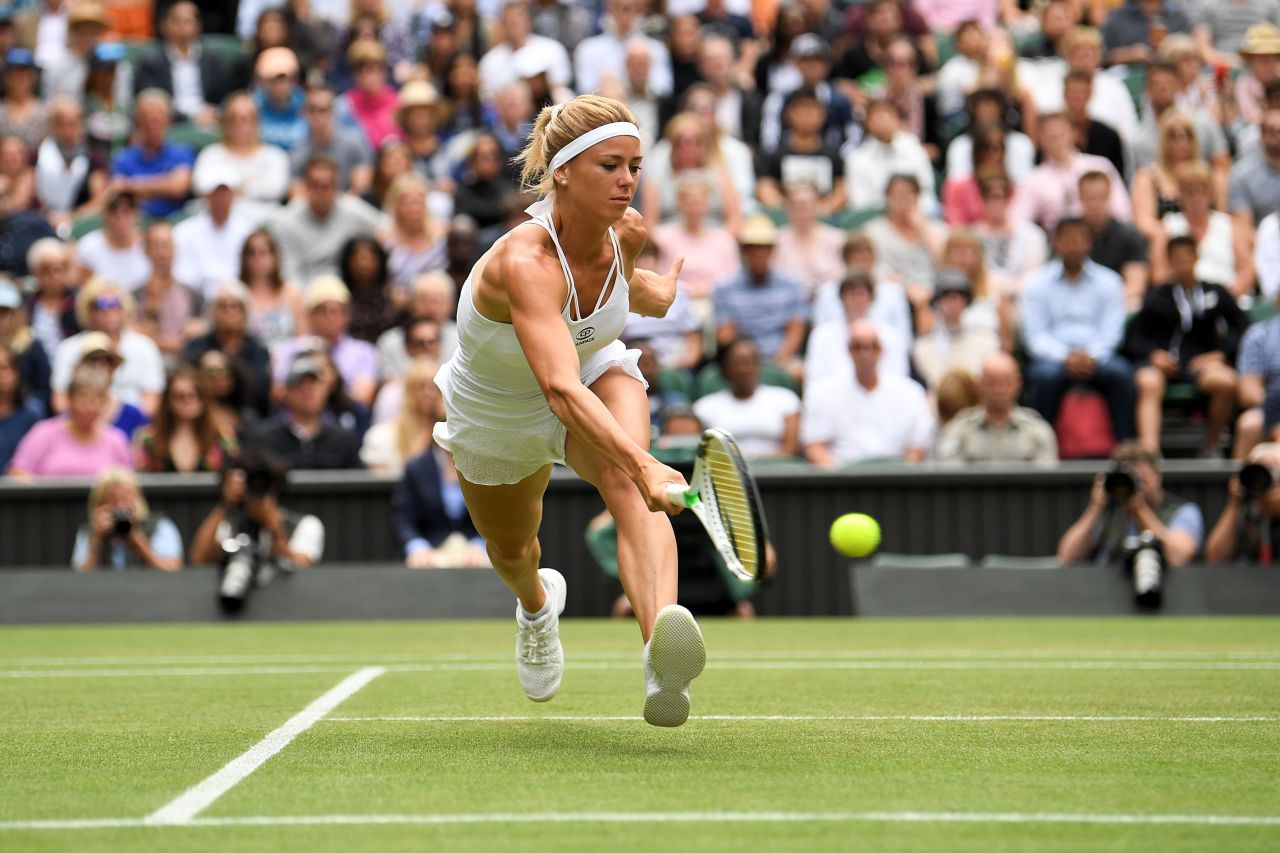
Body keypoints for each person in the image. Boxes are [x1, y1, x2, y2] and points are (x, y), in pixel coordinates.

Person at [431, 95, 704, 727]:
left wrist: (651, 294)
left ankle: (659, 653)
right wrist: (647, 461)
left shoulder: (628, 231)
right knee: (512, 546)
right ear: (563, 173)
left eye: (634, 166)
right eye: (610, 166)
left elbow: (616, 283)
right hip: (501, 405)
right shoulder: (524, 262)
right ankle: (535, 606)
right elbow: (557, 390)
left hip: (592, 369)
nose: (627, 180)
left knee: (628, 489)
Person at [1124, 236, 1247, 457]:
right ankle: (1150, 455)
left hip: (1200, 365)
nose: (1183, 264)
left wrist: (1219, 354)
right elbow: (1134, 337)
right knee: (1147, 381)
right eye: (1177, 259)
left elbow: (1243, 327)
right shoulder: (1157, 295)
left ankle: (1211, 446)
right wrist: (1153, 355)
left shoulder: (1216, 292)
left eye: (1187, 258)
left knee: (1227, 382)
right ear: (1169, 261)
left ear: (1196, 258)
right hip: (1164, 366)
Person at [1021, 218, 1136, 440]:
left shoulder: (1110, 281)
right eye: (1067, 240)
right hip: (1053, 358)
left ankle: (1125, 448)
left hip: (1098, 357)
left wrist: (1090, 355)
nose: (1073, 245)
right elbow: (1035, 336)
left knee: (1121, 374)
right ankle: (1042, 449)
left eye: (1079, 239)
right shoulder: (1036, 283)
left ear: (1089, 243)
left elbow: (1112, 332)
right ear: (1056, 243)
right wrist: (1066, 357)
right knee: (1044, 377)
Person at [802, 318, 933, 467]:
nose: (866, 354)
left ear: (881, 350)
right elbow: (815, 447)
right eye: (858, 347)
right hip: (842, 479)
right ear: (849, 350)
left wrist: (901, 479)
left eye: (872, 346)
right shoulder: (823, 392)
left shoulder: (910, 392)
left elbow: (917, 447)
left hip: (897, 478)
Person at [1057, 441, 1203, 568]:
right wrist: (1095, 506)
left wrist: (1139, 510)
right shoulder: (1109, 512)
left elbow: (1178, 557)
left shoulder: (1182, 511)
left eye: (1143, 480)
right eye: (1132, 481)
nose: (1138, 487)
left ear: (1157, 477)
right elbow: (1066, 557)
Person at [188, 447, 324, 573]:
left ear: (275, 487)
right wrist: (225, 506)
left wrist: (274, 530)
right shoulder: (229, 525)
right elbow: (199, 560)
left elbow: (301, 570)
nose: (255, 490)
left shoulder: (306, 524)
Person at [712, 216, 809, 382]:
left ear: (772, 250)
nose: (758, 253)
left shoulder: (793, 285)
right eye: (752, 248)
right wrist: (747, 363)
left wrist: (778, 361)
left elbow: (796, 330)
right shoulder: (724, 288)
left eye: (764, 247)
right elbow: (726, 335)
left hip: (783, 359)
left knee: (803, 373)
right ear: (743, 251)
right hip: (740, 361)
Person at [51, 278, 164, 416]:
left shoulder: (144, 347)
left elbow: (152, 399)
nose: (108, 311)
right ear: (87, 310)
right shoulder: (69, 348)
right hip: (81, 422)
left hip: (130, 425)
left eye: (114, 304)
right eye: (100, 305)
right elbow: (60, 399)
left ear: (124, 308)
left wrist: (128, 423)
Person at [269, 155, 384, 285]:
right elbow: (288, 272)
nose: (320, 192)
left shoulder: (352, 210)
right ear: (305, 187)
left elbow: (386, 228)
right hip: (304, 290)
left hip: (346, 291)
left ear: (336, 188)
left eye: (326, 186)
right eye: (315, 185)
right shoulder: (285, 221)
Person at [273, 276, 379, 407]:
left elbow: (363, 397)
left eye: (336, 311)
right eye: (323, 311)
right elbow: (279, 392)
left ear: (347, 316)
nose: (330, 318)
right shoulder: (291, 349)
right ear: (310, 315)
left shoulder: (363, 351)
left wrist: (325, 386)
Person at [8, 365, 131, 477]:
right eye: (83, 400)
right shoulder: (43, 433)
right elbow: (18, 472)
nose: (89, 407)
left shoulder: (116, 440)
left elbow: (127, 482)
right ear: (70, 400)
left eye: (96, 400)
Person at [245, 352, 362, 469]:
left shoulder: (344, 439)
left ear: (326, 390)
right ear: (287, 392)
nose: (308, 391)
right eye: (300, 384)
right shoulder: (265, 438)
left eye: (314, 384)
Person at [937, 352, 1059, 464]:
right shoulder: (959, 429)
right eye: (992, 383)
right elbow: (950, 474)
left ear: (1018, 384)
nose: (999, 390)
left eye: (1006, 383)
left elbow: (1046, 477)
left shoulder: (1037, 429)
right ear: (979, 384)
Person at [692, 337, 799, 460]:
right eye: (738, 363)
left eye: (750, 362)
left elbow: (791, 449)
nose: (744, 369)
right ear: (724, 368)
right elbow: (701, 453)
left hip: (780, 474)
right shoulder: (704, 407)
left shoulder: (786, 399)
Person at [191, 92, 291, 223]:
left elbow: (276, 189)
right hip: (216, 222)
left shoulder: (275, 156)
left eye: (245, 118)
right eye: (234, 118)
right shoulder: (211, 154)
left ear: (256, 121)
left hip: (262, 223)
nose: (240, 124)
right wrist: (247, 186)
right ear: (225, 123)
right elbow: (200, 187)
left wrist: (230, 190)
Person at [179, 280, 273, 418]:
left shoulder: (258, 350)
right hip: (201, 416)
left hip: (245, 417)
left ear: (246, 312)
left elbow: (261, 393)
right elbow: (185, 384)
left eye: (236, 306)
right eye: (223, 306)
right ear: (212, 311)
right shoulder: (195, 347)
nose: (230, 312)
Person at [132, 1, 234, 126]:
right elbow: (151, 101)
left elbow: (224, 96)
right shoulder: (152, 62)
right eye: (176, 21)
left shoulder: (212, 58)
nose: (182, 26)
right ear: (164, 26)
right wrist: (190, 117)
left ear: (198, 26)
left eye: (188, 21)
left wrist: (214, 112)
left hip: (209, 120)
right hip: (170, 123)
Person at [394, 444, 488, 568]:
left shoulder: (486, 468)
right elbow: (404, 519)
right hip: (432, 552)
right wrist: (417, 547)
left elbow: (497, 515)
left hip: (476, 556)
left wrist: (480, 545)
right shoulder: (417, 467)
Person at [71, 466, 183, 571]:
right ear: (99, 505)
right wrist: (96, 542)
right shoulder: (89, 532)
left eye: (126, 500)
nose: (120, 507)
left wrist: (138, 541)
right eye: (112, 501)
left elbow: (173, 571)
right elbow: (79, 578)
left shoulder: (159, 525)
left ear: (138, 500)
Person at [107, 89, 194, 220]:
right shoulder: (123, 158)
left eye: (157, 117)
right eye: (145, 117)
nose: (151, 122)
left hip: (175, 226)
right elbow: (118, 191)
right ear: (138, 120)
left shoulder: (182, 153)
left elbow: (178, 186)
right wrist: (165, 184)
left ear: (168, 120)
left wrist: (130, 186)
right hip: (137, 226)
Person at [171, 164, 256, 299]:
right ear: (205, 195)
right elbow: (182, 275)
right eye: (216, 192)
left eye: (225, 192)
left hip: (239, 299)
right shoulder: (183, 232)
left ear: (234, 195)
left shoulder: (248, 231)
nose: (221, 198)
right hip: (195, 300)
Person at [133, 365, 237, 473]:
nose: (188, 401)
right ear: (168, 401)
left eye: (195, 394)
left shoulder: (221, 436)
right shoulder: (149, 439)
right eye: (180, 396)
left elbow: (232, 473)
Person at [910, 269, 1000, 391]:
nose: (953, 301)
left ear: (967, 301)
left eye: (959, 295)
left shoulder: (986, 341)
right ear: (937, 301)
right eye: (946, 295)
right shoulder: (922, 347)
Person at [845, 99, 936, 216]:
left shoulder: (914, 149)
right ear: (867, 124)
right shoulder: (857, 159)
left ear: (898, 120)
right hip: (876, 218)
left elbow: (927, 190)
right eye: (876, 117)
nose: (882, 120)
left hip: (917, 213)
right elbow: (859, 202)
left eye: (887, 115)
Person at [132, 221, 202, 361]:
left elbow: (197, 337)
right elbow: (133, 338)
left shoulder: (193, 294)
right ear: (146, 251)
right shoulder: (135, 295)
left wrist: (153, 339)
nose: (162, 254)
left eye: (166, 246)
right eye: (156, 247)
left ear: (175, 250)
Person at [1079, 170, 1149, 310]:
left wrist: (1102, 303)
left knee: (1134, 304)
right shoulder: (1069, 234)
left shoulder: (1129, 235)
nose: (1095, 204)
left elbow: (1135, 285)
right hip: (1075, 300)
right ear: (1080, 197)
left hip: (1115, 301)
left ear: (1109, 195)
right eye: (1090, 198)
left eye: (1100, 197)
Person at [289, 85, 372, 197]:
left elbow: (361, 189)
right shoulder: (297, 153)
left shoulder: (353, 144)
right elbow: (297, 196)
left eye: (323, 110)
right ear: (304, 113)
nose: (317, 115)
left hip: (348, 206)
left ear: (333, 111)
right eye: (312, 110)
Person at [362, 356, 441, 474]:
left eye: (435, 386)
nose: (429, 393)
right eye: (421, 386)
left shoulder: (450, 437)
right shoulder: (380, 438)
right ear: (409, 390)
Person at [1204, 442, 1280, 564]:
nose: (1263, 479)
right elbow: (1215, 559)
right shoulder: (1245, 507)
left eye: (1272, 470)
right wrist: (1233, 504)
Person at [74, 187, 150, 292]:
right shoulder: (88, 247)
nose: (121, 217)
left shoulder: (150, 245)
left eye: (127, 210)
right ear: (105, 214)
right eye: (114, 209)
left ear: (137, 214)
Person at [0, 342, 44, 472]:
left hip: (20, 489)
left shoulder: (32, 413)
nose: (2, 375)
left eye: (5, 368)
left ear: (16, 372)